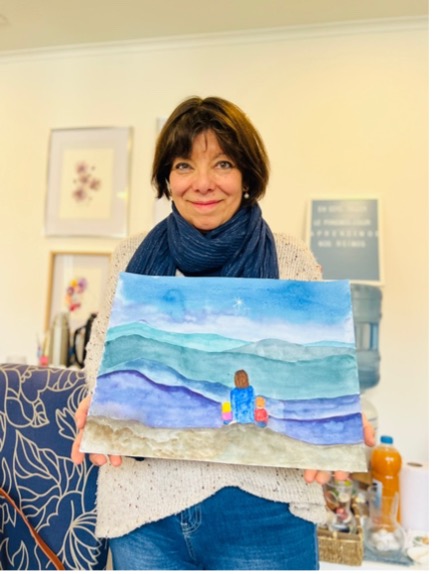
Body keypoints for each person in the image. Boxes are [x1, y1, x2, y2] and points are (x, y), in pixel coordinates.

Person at [71, 96, 375, 570]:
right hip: (142, 506)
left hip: (264, 509)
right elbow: (100, 359)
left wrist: (335, 422)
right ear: (167, 179)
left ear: (247, 175)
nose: (203, 182)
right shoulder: (129, 257)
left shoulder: (290, 257)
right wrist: (101, 400)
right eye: (184, 165)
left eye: (223, 163)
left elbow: (315, 370)